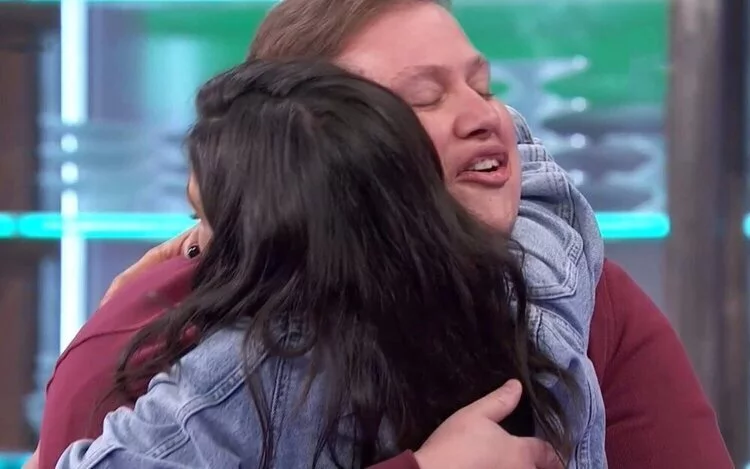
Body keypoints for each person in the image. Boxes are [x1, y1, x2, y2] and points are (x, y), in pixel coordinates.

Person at [38, 0, 732, 468]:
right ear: (309, 150)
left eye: (484, 87)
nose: (484, 118)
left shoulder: (577, 282)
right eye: (421, 100)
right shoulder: (150, 351)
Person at [56, 58, 580, 469]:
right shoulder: (520, 289)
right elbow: (548, 200)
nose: (194, 247)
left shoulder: (249, 369)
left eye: (204, 217)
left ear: (262, 231)